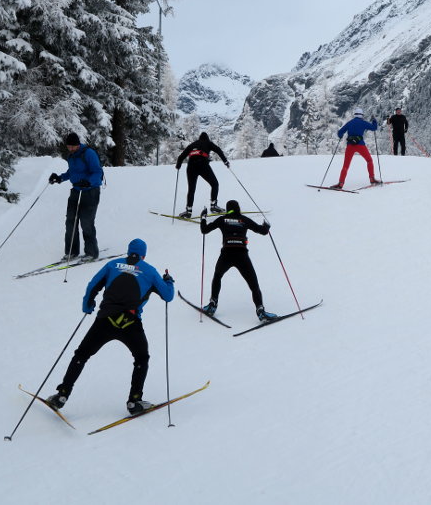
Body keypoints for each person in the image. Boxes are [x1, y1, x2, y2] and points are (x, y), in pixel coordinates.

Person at [47, 238, 175, 413]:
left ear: (129, 251)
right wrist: (168, 281)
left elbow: (93, 285)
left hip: (105, 320)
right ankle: (134, 401)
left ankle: (62, 394)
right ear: (143, 255)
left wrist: (87, 305)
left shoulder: (113, 265)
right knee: (141, 358)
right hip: (131, 323)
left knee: (82, 354)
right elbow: (168, 296)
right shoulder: (150, 271)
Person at [199, 200, 276, 322]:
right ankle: (261, 311)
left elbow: (204, 230)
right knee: (254, 285)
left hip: (226, 255)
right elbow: (263, 231)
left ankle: (212, 305)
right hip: (242, 256)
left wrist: (203, 217)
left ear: (227, 208)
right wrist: (266, 225)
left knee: (217, 276)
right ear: (238, 208)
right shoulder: (244, 219)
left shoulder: (222, 219)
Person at [48, 132, 103, 261]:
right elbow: (72, 172)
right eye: (69, 146)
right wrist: (59, 178)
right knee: (70, 221)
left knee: (86, 222)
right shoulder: (71, 156)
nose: (71, 149)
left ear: (78, 144)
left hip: (90, 191)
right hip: (76, 191)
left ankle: (91, 252)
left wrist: (89, 181)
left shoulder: (88, 154)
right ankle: (72, 251)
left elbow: (97, 172)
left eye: (73, 146)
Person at [175, 132, 229, 219]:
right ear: (207, 138)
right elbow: (218, 150)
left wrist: (178, 165)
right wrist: (225, 161)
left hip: (191, 167)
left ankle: (188, 211)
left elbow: (181, 156)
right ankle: (213, 206)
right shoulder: (208, 143)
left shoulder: (193, 144)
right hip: (203, 165)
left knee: (191, 189)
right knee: (215, 184)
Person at [331, 108, 379, 189]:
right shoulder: (363, 122)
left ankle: (340, 184)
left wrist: (340, 136)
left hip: (350, 146)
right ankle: (372, 179)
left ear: (355, 114)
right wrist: (374, 120)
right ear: (361, 115)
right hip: (360, 145)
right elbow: (374, 128)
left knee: (346, 165)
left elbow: (340, 132)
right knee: (369, 160)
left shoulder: (350, 123)